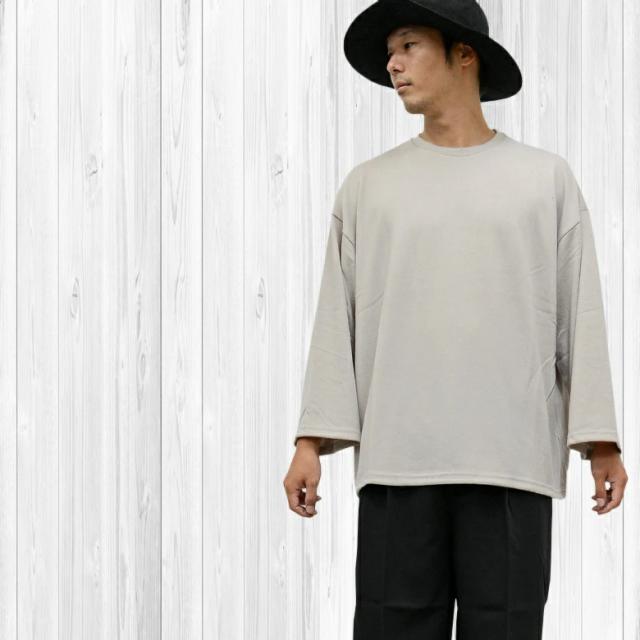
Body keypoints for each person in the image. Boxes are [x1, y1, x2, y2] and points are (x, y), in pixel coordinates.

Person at [283, 0, 628, 637]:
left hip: (511, 460)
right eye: (390, 52)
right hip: (398, 461)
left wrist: (599, 440)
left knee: (505, 627)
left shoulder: (544, 180)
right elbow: (338, 316)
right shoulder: (369, 187)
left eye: (408, 45)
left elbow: (578, 312)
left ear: (464, 54)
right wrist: (311, 443)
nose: (393, 64)